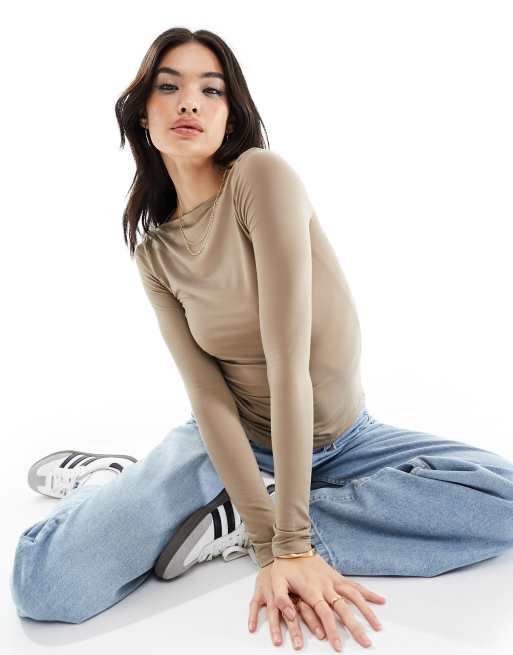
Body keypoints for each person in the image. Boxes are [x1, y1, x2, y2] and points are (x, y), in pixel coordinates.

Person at [10, 27, 513, 653]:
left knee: (504, 497)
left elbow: (288, 360)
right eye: (168, 87)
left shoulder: (260, 176)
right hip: (238, 442)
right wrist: (280, 542)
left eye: (210, 90)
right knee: (47, 587)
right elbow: (208, 397)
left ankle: (245, 520)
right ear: (143, 113)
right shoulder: (156, 255)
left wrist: (287, 542)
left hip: (349, 437)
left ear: (231, 114)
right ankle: (108, 482)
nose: (189, 102)